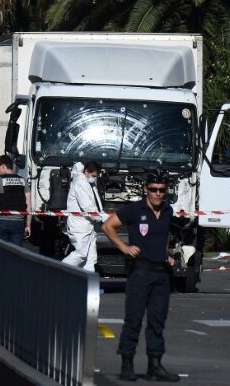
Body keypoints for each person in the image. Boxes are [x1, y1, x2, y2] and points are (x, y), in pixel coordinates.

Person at [101, 174, 180, 382]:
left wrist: (167, 255)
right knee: (133, 321)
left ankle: (155, 365)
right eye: (154, 189)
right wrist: (124, 247)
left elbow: (165, 235)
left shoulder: (167, 210)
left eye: (162, 190)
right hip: (140, 272)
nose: (158, 194)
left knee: (157, 322)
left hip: (162, 275)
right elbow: (107, 226)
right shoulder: (135, 210)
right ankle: (127, 364)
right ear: (146, 189)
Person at [62, 161, 105, 271]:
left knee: (90, 260)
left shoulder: (87, 183)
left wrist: (100, 213)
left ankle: (88, 285)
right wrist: (100, 217)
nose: (95, 178)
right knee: (81, 254)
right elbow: (87, 206)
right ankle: (58, 270)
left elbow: (93, 203)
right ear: (86, 172)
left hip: (87, 226)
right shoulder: (80, 183)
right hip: (79, 226)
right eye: (94, 176)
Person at [0, 155, 32, 246]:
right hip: (18, 222)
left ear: (3, 166)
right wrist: (28, 225)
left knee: (0, 251)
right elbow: (29, 206)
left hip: (0, 222)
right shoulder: (23, 181)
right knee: (17, 253)